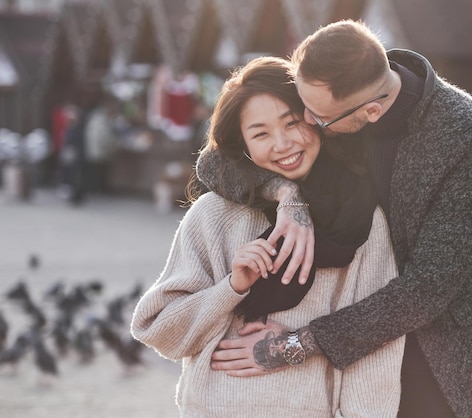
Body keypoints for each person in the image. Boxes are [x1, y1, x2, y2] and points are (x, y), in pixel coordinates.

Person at [199, 20, 472, 418]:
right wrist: (286, 194)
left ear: (371, 111)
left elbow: (430, 287)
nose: (308, 124)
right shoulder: (325, 90)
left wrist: (296, 345)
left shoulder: (469, 136)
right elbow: (214, 160)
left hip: (438, 358)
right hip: (341, 363)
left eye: (315, 117)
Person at [130, 56, 404, 417]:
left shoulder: (363, 217)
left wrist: (294, 346)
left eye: (291, 123)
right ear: (241, 143)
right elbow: (160, 332)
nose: (282, 144)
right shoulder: (214, 214)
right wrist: (232, 286)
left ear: (316, 118)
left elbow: (377, 345)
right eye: (260, 133)